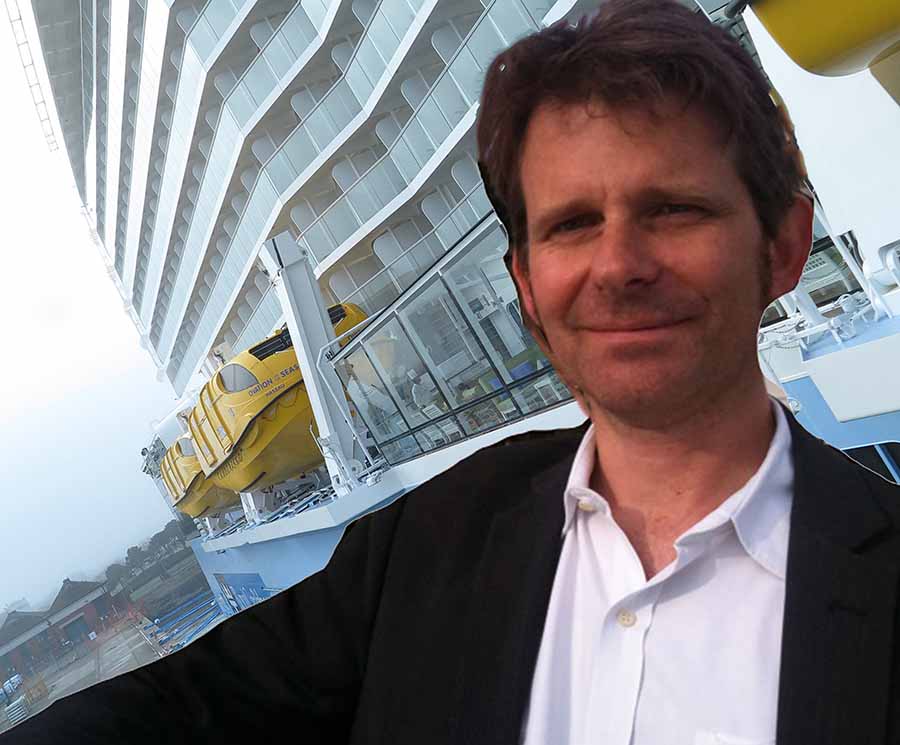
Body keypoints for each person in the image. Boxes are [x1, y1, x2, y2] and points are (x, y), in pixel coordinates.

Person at [7, 1, 900, 743]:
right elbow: (182, 707)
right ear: (526, 288)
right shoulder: (428, 540)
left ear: (785, 245)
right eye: (571, 225)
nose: (619, 265)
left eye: (673, 208)